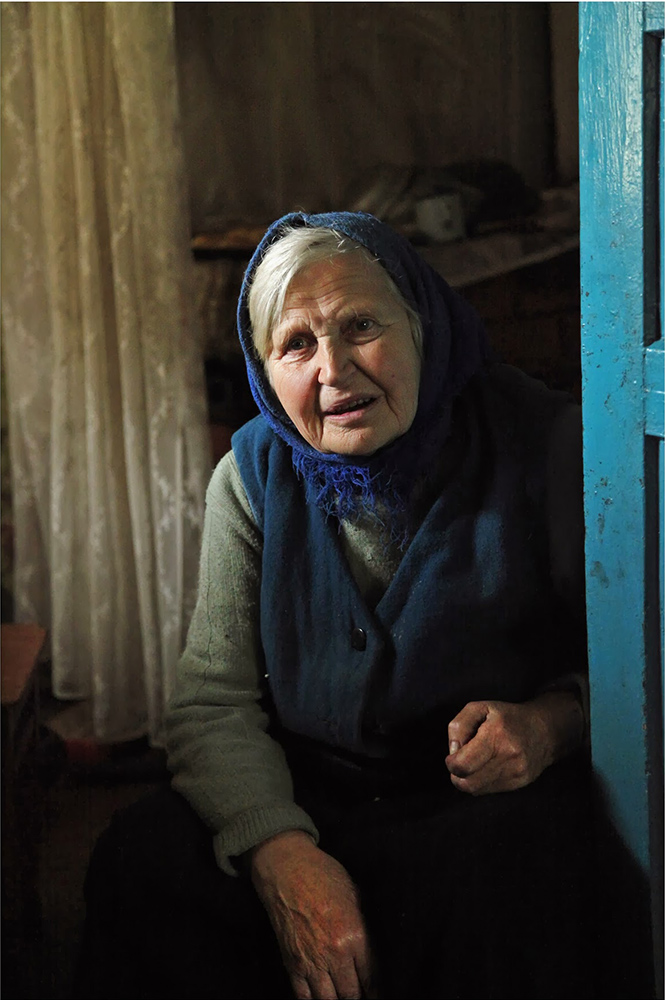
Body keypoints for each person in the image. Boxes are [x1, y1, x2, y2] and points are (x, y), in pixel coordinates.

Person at [78, 212, 598, 1000]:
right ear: (265, 371)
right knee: (141, 857)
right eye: (296, 344)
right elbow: (212, 702)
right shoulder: (251, 478)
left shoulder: (544, 444)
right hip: (310, 797)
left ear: (420, 325)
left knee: (515, 889)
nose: (333, 370)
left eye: (361, 326)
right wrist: (281, 853)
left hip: (480, 807)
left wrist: (549, 725)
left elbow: (634, 661)